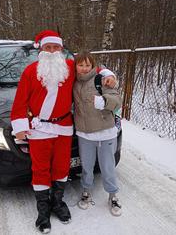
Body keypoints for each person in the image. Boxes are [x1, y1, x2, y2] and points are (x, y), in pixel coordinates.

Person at [10, 30, 116, 233]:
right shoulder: (31, 71)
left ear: (61, 49)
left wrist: (109, 75)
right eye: (48, 47)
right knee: (40, 169)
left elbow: (92, 67)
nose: (52, 51)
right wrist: (21, 128)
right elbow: (20, 100)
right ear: (41, 49)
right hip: (39, 128)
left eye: (55, 47)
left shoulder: (69, 66)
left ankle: (57, 203)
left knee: (61, 167)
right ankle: (43, 211)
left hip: (64, 127)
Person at [73, 51, 122, 216]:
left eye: (88, 65)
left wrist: (105, 102)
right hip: (85, 135)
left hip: (105, 133)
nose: (84, 68)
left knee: (107, 167)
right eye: (81, 65)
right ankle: (86, 192)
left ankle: (113, 195)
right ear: (76, 66)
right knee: (86, 167)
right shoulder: (73, 82)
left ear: (93, 66)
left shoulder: (101, 79)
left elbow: (117, 99)